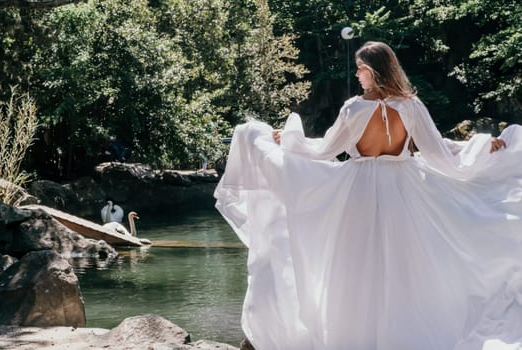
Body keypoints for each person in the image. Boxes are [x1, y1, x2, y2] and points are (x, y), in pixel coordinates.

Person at [214, 41, 522, 350]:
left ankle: (355, 337)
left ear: (373, 72)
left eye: (361, 68)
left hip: (358, 192)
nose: (358, 74)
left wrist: (291, 140)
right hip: (406, 190)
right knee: (405, 263)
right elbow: (438, 152)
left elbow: (324, 151)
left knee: (358, 263)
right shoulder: (411, 105)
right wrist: (480, 146)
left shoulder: (354, 108)